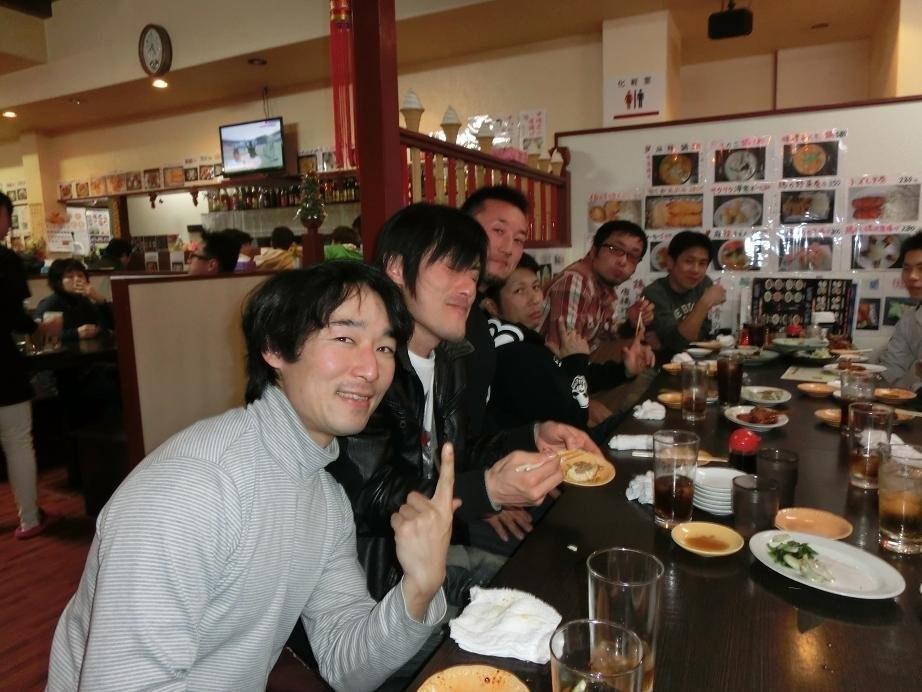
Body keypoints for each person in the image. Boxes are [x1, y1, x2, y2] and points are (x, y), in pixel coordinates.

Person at [48, 262, 456, 691]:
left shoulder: (323, 496)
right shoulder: (194, 488)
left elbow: (345, 664)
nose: (371, 370)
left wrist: (419, 588)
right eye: (344, 338)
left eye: (384, 348)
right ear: (275, 347)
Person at [482, 253, 651, 430]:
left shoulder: (526, 341)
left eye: (536, 287)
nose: (535, 299)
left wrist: (624, 371)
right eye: (519, 291)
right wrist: (576, 359)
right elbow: (575, 419)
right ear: (492, 306)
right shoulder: (514, 353)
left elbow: (565, 378)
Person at [0, 191, 63, 539]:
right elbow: (14, 317)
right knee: (17, 440)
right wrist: (40, 328)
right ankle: (29, 519)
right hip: (1, 364)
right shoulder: (4, 259)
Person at [459, 185, 531, 436]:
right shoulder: (443, 315)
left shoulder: (478, 315)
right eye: (499, 230)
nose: (508, 248)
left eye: (519, 239)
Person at [539, 220, 653, 356]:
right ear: (594, 251)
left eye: (633, 256)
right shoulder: (575, 283)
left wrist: (631, 323)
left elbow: (606, 344)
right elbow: (563, 356)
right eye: (615, 249)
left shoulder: (604, 288)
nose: (623, 261)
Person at [643, 230, 726, 359]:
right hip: (661, 365)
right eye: (689, 261)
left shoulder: (704, 284)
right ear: (670, 262)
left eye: (702, 263)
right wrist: (704, 303)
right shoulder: (654, 293)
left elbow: (703, 332)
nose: (696, 270)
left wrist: (667, 343)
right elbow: (677, 343)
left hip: (696, 362)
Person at [879, 231, 922, 388]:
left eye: (921, 268)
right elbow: (891, 368)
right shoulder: (909, 319)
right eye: (907, 269)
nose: (912, 276)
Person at [34, 259, 113, 341]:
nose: (77, 279)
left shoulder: (84, 300)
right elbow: (39, 335)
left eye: (80, 275)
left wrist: (100, 300)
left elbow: (110, 326)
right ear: (58, 282)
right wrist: (75, 333)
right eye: (70, 276)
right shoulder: (50, 303)